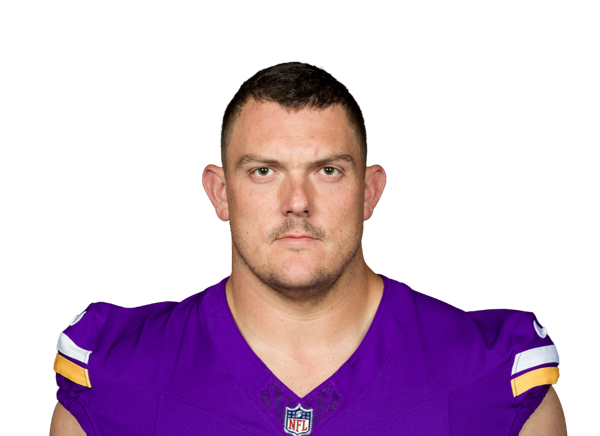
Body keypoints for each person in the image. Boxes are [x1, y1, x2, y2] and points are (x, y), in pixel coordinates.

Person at [50, 62, 566, 435]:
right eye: (264, 171)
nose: (297, 202)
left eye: (328, 170)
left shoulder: (492, 376)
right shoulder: (116, 371)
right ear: (220, 192)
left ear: (370, 191)